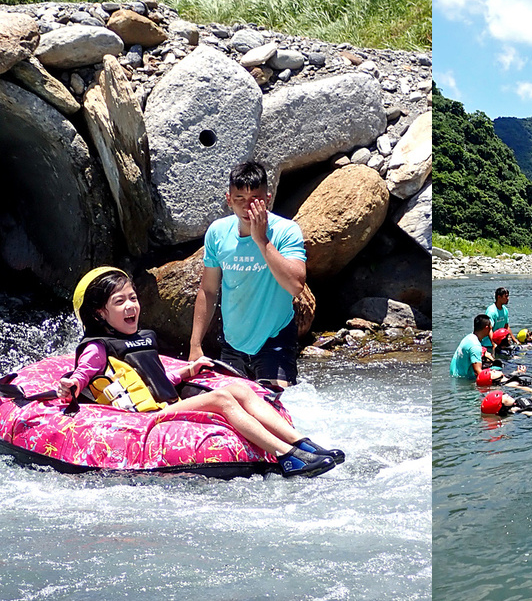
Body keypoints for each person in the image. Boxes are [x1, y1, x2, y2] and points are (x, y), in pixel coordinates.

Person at [59, 267, 341, 478]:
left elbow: (151, 381)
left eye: (132, 298)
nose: (131, 306)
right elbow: (83, 374)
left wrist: (186, 372)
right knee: (221, 400)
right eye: (119, 302)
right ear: (98, 313)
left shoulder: (143, 337)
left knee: (241, 389)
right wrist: (71, 384)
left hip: (165, 405)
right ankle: (287, 456)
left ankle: (304, 444)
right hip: (144, 419)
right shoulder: (97, 348)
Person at [190, 162, 307, 387]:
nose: (247, 207)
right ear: (228, 199)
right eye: (240, 199)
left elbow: (295, 286)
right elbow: (209, 290)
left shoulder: (286, 231)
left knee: (274, 408)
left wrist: (261, 240)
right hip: (233, 342)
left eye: (255, 199)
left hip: (275, 339)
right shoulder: (217, 232)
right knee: (232, 410)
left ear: (268, 199)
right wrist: (195, 344)